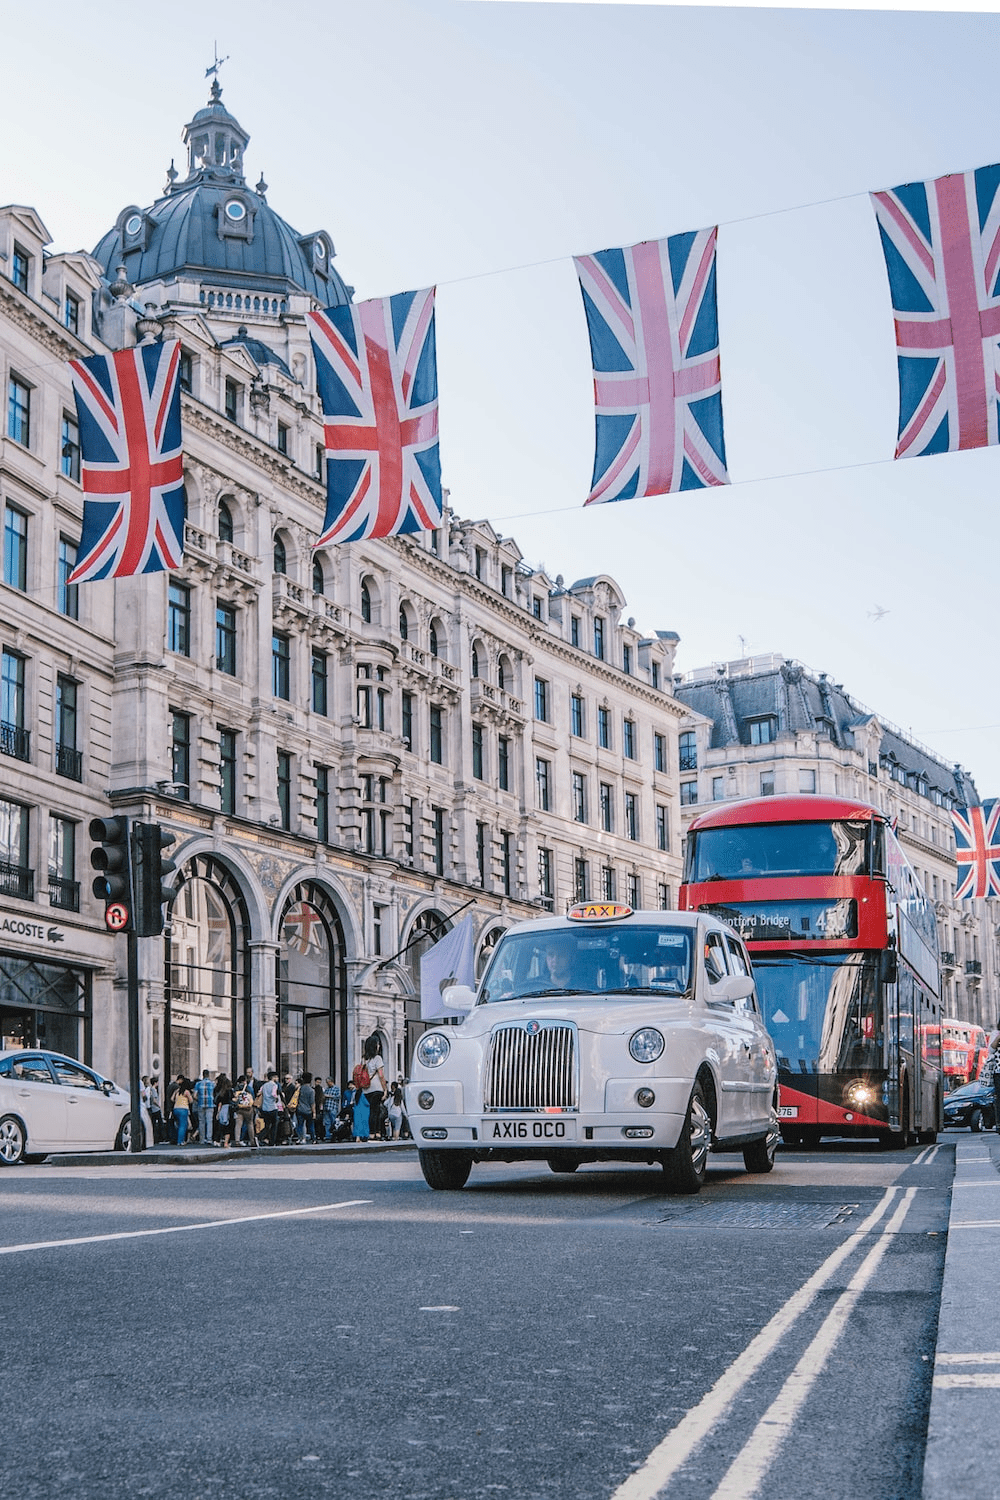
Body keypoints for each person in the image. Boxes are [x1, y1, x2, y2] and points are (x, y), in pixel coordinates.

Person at [361, 1035, 388, 1141]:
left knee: (372, 1111)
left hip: (366, 1089)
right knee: (375, 1111)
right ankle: (374, 1134)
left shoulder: (364, 1059)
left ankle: (375, 1133)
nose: (379, 1046)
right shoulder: (378, 1058)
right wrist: (385, 1089)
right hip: (376, 1088)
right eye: (378, 1044)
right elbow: (381, 1075)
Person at [979, 1036, 1000, 1131]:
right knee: (998, 1100)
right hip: (998, 1073)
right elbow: (991, 1050)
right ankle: (999, 1124)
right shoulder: (996, 1034)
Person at [258, 1070, 282, 1146]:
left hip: (265, 1108)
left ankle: (259, 1136)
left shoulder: (264, 1085)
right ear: (273, 1077)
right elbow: (273, 1094)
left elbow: (259, 1092)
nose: (277, 1078)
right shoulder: (274, 1085)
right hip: (272, 1107)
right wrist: (276, 1098)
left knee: (267, 1125)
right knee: (274, 1125)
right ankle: (272, 1142)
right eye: (276, 1077)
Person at [193, 1069, 215, 1147]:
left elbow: (194, 1096)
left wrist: (199, 1100)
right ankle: (209, 1138)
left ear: (202, 1075)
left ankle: (202, 1139)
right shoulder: (212, 1084)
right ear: (208, 1075)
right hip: (210, 1104)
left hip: (201, 1104)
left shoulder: (198, 1084)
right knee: (209, 1121)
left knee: (201, 1121)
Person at [172, 1077, 193, 1146]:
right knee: (182, 1126)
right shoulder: (186, 1092)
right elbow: (191, 1100)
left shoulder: (176, 1091)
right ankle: (180, 1141)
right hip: (183, 1109)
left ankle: (177, 1139)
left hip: (175, 1109)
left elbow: (172, 1099)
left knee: (178, 1125)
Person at [214, 1074, 233, 1148]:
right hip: (229, 1109)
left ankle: (218, 1140)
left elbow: (219, 1102)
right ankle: (226, 1142)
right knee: (228, 1127)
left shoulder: (221, 1092)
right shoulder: (230, 1091)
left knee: (221, 1125)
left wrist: (218, 1113)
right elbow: (233, 1099)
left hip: (222, 1109)